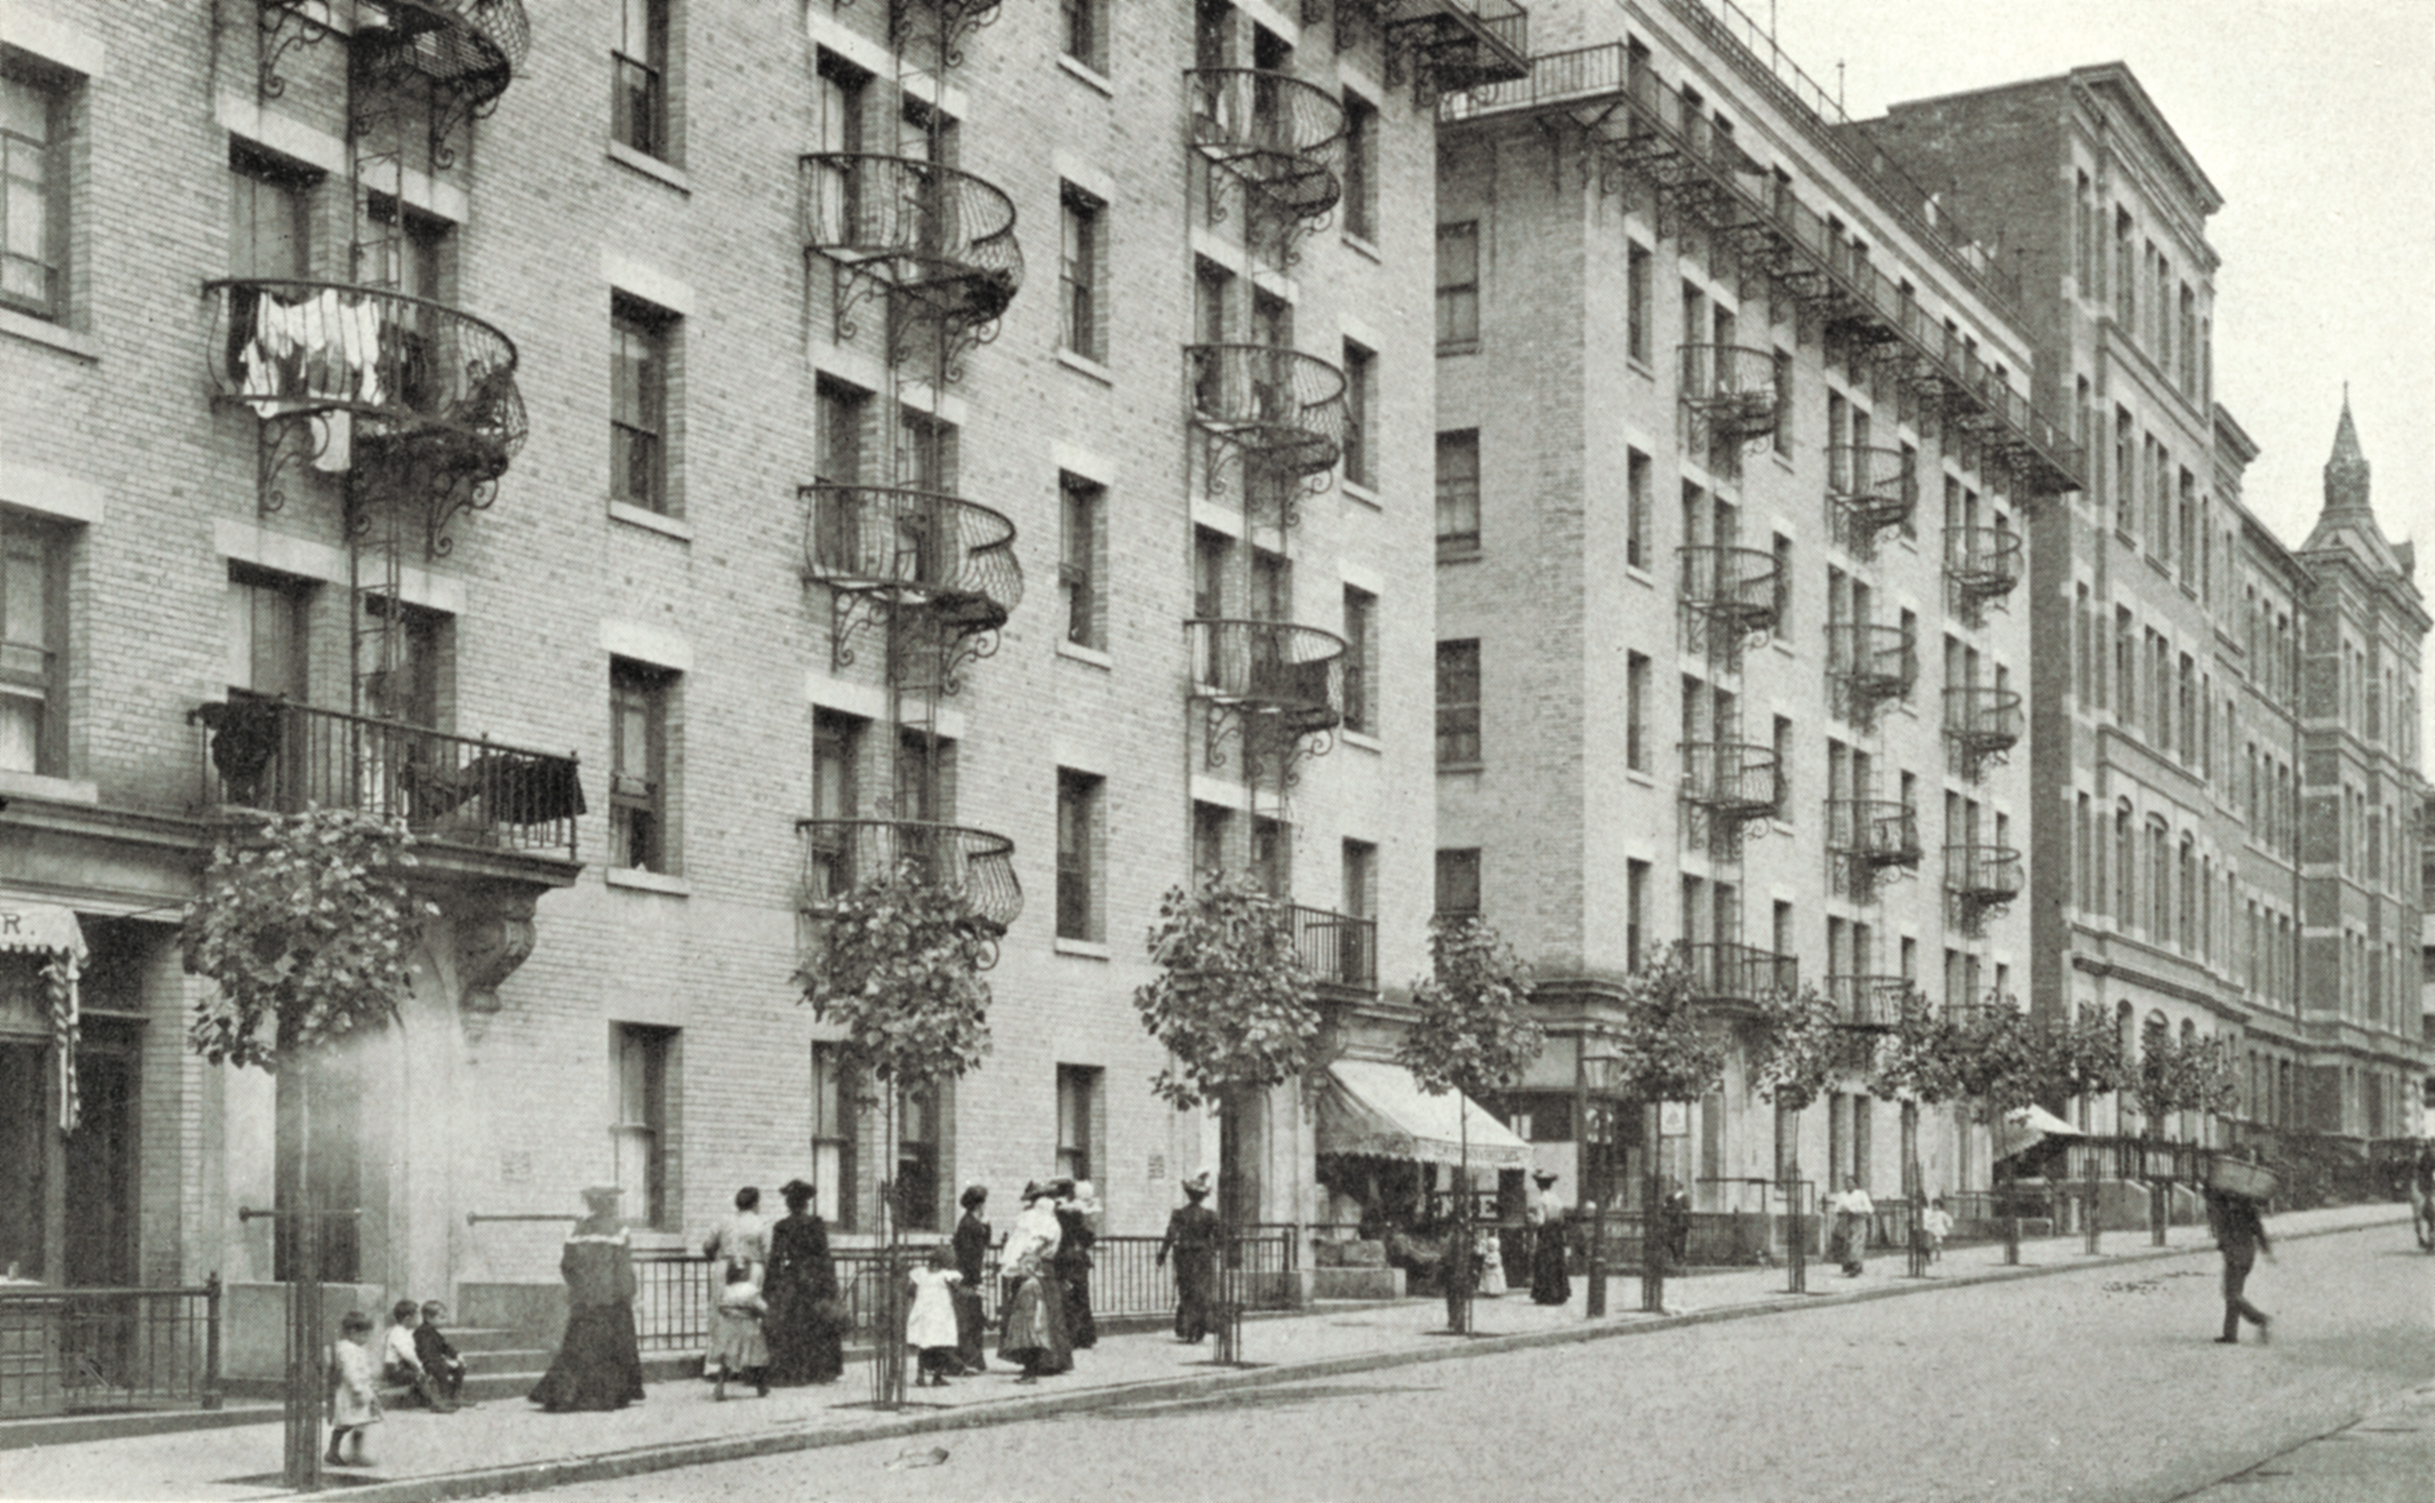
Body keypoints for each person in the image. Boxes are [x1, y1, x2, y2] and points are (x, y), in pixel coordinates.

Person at [527, 1184, 646, 1412]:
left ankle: (566, 1394)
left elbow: (566, 1266)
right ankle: (607, 1395)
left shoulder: (577, 1230)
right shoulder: (618, 1229)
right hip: (611, 1300)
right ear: (610, 1205)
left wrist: (579, 1288)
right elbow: (622, 1268)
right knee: (610, 1347)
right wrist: (629, 1293)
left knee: (578, 1346)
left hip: (583, 1300)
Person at [764, 1179, 843, 1386]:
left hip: (792, 1279)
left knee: (792, 1324)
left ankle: (794, 1371)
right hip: (815, 1278)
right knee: (818, 1322)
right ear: (806, 1203)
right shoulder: (816, 1224)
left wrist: (770, 1288)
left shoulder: (781, 1226)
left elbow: (775, 1259)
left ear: (788, 1204)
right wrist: (831, 1285)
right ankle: (819, 1370)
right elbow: (824, 1256)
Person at [998, 1180, 1072, 1382]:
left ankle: (1045, 1361)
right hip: (1039, 1269)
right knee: (1043, 1315)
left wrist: (1023, 1258)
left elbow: (1035, 1247)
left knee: (1037, 1317)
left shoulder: (1044, 1224)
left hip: (1037, 1268)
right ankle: (1045, 1360)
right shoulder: (1041, 1222)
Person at [702, 1187, 771, 1400]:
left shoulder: (722, 1222)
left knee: (726, 1320)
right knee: (751, 1322)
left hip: (725, 1272)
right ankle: (758, 1379)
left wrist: (721, 1257)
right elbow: (768, 1252)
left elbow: (707, 1246)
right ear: (755, 1203)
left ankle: (720, 1376)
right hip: (753, 1271)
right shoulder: (762, 1223)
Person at [1156, 1171, 1222, 1344]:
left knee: (1186, 1292)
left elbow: (1170, 1235)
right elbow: (1221, 1237)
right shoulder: (1210, 1215)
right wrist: (1214, 1248)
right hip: (1203, 1257)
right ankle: (1199, 1329)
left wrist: (1162, 1254)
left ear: (1189, 1195)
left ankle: (1188, 1329)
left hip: (1184, 1256)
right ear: (1203, 1197)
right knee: (1202, 1292)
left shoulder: (1179, 1214)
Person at [2205, 1183, 2274, 1345]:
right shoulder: (2249, 1208)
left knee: (2231, 1294)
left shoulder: (2226, 1209)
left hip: (2235, 1255)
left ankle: (2260, 1319)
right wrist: (2266, 1251)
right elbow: (2259, 1231)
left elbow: (2222, 1229)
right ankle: (2230, 1334)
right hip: (2247, 1255)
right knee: (2234, 1292)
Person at [326, 1310, 382, 1467]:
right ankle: (334, 1451)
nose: (367, 1339)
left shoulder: (355, 1347)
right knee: (347, 1423)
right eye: (364, 1335)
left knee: (361, 1422)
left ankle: (355, 1452)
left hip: (361, 1388)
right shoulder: (347, 1349)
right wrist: (357, 1389)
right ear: (352, 1332)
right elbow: (350, 1371)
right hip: (351, 1392)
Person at [381, 1299, 456, 1412]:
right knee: (422, 1377)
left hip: (405, 1366)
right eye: (417, 1316)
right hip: (395, 1370)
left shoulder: (409, 1331)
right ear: (407, 1319)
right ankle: (435, 1404)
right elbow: (407, 1354)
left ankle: (441, 1400)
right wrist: (420, 1367)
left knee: (429, 1372)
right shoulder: (398, 1333)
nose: (420, 1319)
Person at [1052, 1178, 1099, 1351]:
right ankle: (1083, 1336)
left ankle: (1072, 1335)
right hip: (1076, 1257)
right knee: (1079, 1296)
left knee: (1068, 1296)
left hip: (1062, 1256)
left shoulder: (1056, 1211)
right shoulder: (1075, 1212)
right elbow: (1087, 1235)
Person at [906, 1245, 963, 1388]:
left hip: (924, 1313)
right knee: (943, 1345)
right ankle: (937, 1377)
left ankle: (920, 1376)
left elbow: (910, 1291)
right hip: (941, 1314)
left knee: (924, 1345)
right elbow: (958, 1291)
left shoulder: (920, 1274)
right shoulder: (946, 1275)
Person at [951, 1185, 993, 1374]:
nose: (985, 1206)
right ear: (978, 1204)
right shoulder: (968, 1224)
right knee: (970, 1320)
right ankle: (970, 1360)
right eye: (983, 1202)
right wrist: (976, 1279)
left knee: (973, 1319)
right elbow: (969, 1255)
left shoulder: (973, 1223)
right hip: (968, 1278)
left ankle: (974, 1359)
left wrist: (987, 1227)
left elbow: (983, 1246)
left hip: (971, 1276)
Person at [1527, 1170, 1571, 1306]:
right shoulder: (1556, 1198)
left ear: (1539, 1185)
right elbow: (1561, 1217)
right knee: (1557, 1261)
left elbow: (1540, 1221)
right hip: (1556, 1234)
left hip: (1546, 1234)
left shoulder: (1541, 1200)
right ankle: (1559, 1293)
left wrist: (1531, 1219)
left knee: (1544, 1261)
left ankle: (1545, 1295)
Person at [411, 1302, 466, 1405]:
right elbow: (426, 1354)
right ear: (428, 1318)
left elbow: (444, 1346)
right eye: (441, 1317)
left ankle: (456, 1396)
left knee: (460, 1367)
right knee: (440, 1368)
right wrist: (446, 1361)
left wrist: (456, 1355)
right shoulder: (423, 1332)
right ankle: (442, 1400)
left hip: (436, 1361)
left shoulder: (433, 1331)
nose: (445, 1321)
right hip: (426, 1363)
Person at [1830, 1177, 1874, 1278]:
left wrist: (1858, 1210)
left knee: (1856, 1243)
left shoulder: (1861, 1194)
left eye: (1851, 1183)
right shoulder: (1841, 1195)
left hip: (1858, 1220)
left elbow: (1869, 1208)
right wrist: (1842, 1210)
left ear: (1855, 1184)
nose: (1849, 1185)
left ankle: (1856, 1266)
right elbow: (1837, 1208)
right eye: (1847, 1183)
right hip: (1845, 1220)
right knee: (1846, 1243)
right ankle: (1847, 1266)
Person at [1660, 1179, 1693, 1274]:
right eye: (1673, 1186)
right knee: (1669, 1240)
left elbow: (1686, 1209)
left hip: (1681, 1223)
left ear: (1679, 1187)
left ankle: (1679, 1260)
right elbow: (1665, 1206)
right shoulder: (1670, 1197)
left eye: (1675, 1186)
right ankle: (1676, 1258)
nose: (1673, 1188)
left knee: (1680, 1243)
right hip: (1673, 1222)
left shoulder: (1684, 1197)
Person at [1475, 1222, 1507, 1298]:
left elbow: (1495, 1262)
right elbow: (1480, 1253)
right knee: (1488, 1281)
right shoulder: (1488, 1253)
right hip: (1488, 1270)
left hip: (1494, 1270)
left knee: (1494, 1280)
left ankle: (1495, 1292)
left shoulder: (1496, 1254)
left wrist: (1488, 1262)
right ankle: (1488, 1291)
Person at [1920, 1197, 1955, 1263]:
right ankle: (1932, 1253)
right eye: (1933, 1205)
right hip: (1932, 1229)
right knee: (1931, 1242)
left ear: (1939, 1206)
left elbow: (1948, 1218)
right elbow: (1928, 1220)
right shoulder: (1931, 1213)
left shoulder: (1941, 1213)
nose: (1934, 1207)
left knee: (1938, 1242)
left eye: (1936, 1205)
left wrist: (1949, 1225)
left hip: (1939, 1229)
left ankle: (1938, 1255)